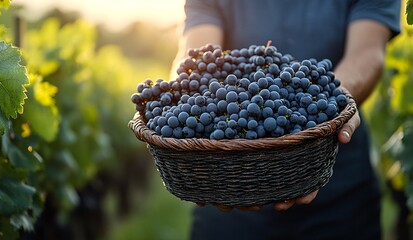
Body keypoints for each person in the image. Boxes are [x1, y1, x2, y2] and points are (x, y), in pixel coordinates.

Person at [170, 0, 401, 239]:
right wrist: (183, 98)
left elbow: (367, 54)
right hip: (230, 178)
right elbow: (196, 59)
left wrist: (335, 100)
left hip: (338, 185)